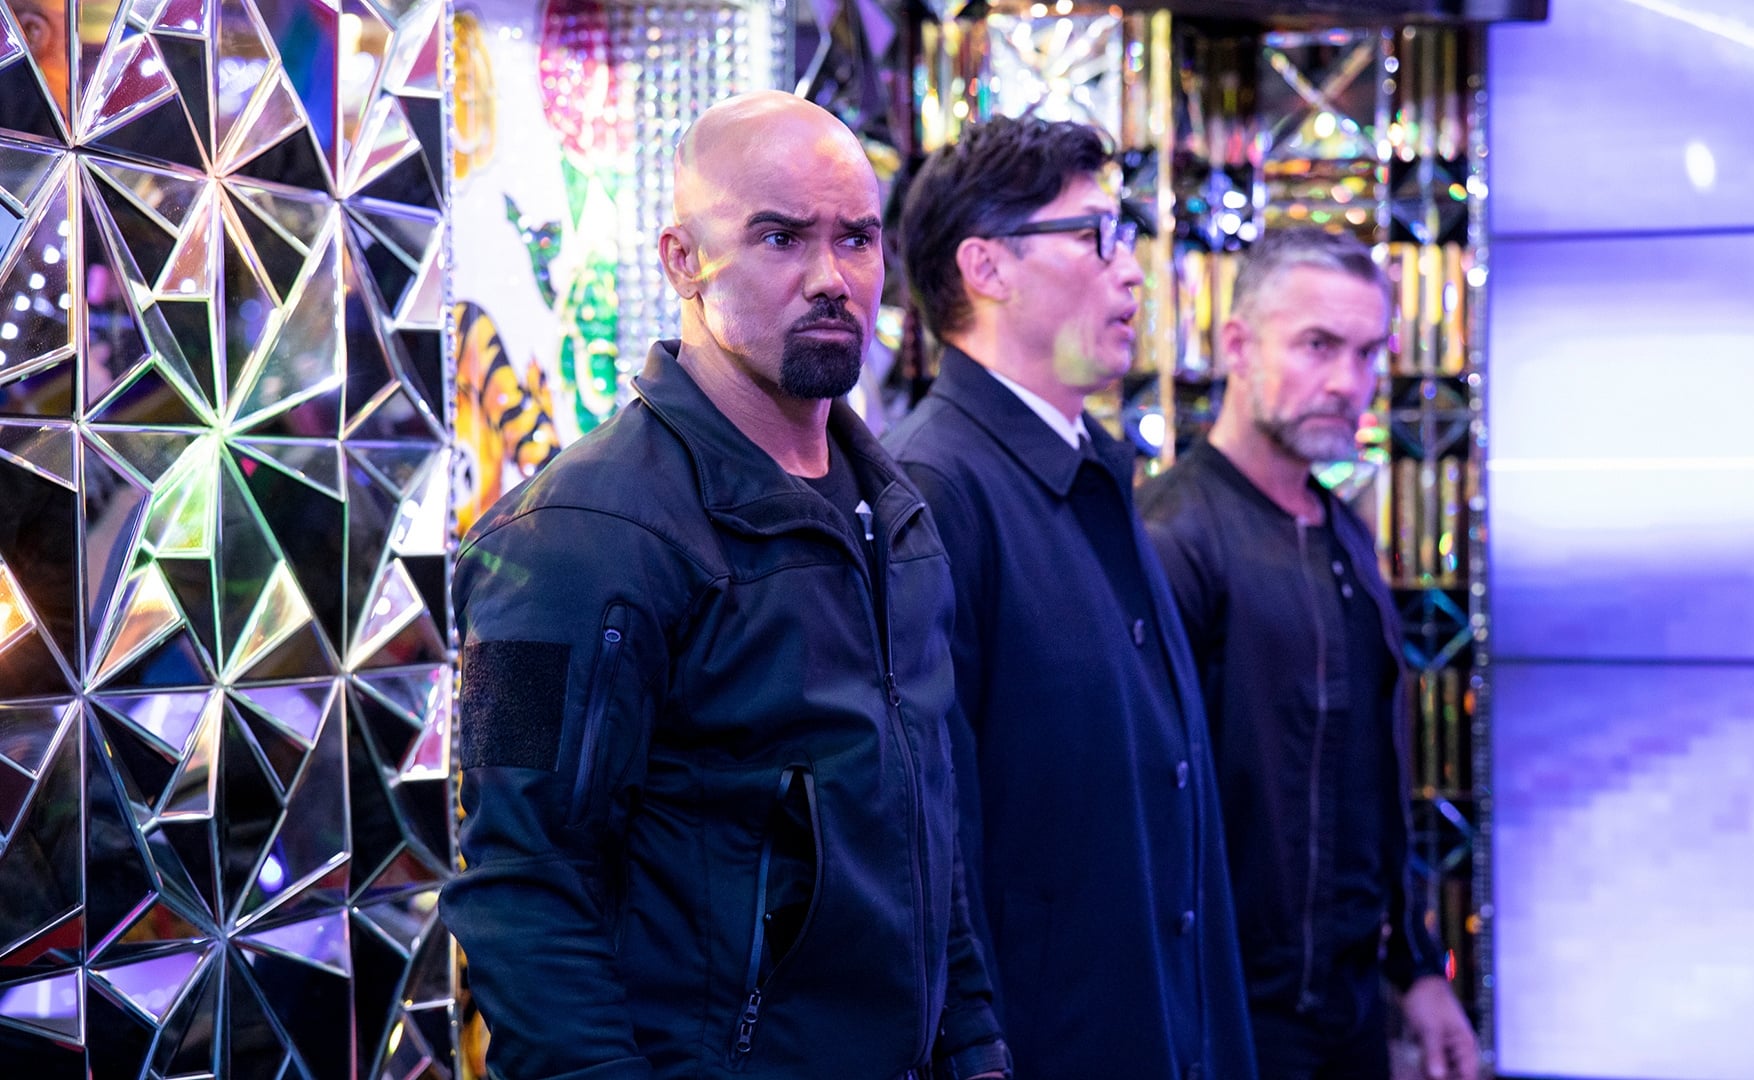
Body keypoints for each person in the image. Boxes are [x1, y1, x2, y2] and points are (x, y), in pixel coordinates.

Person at [441, 91, 1010, 1080]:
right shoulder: (563, 539)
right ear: (682, 261)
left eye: (856, 239)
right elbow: (517, 886)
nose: (831, 278)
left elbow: (922, 835)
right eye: (781, 237)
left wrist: (975, 1048)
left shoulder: (897, 517)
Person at [885, 115, 1257, 1080]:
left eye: (1125, 236)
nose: (1132, 272)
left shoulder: (1089, 466)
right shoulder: (935, 488)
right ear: (986, 267)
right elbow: (935, 845)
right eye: (1095, 235)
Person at [1138, 225, 1481, 1080]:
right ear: (1237, 346)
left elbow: (1371, 787)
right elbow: (1138, 815)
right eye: (1318, 345)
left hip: (1350, 1009)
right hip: (1222, 1017)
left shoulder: (1345, 539)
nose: (1346, 383)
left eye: (1365, 354)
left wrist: (1416, 969)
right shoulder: (1171, 537)